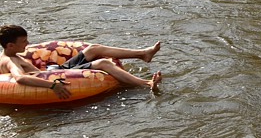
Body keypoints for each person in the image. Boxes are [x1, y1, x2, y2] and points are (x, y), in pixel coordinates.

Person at [0, 25, 162, 99]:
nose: (28, 44)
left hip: (54, 68)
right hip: (54, 75)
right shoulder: (10, 60)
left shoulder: (12, 53)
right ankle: (146, 83)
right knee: (104, 64)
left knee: (93, 49)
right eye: (24, 42)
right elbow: (20, 78)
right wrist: (53, 85)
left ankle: (143, 54)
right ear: (10, 45)